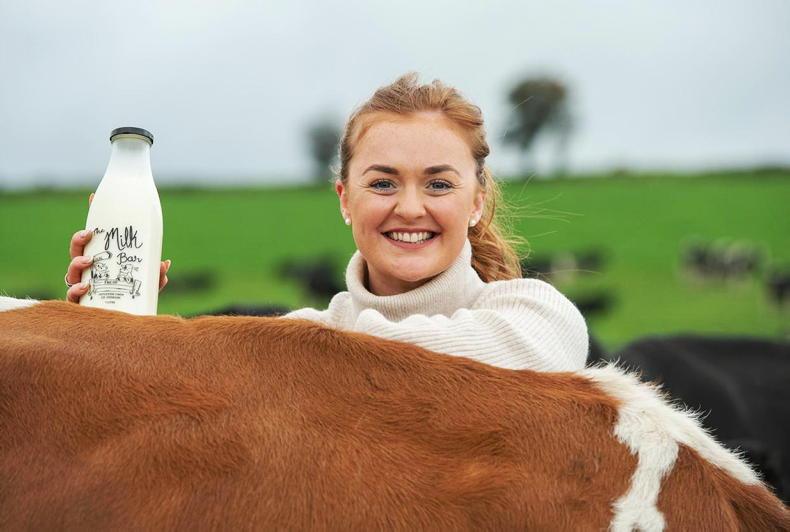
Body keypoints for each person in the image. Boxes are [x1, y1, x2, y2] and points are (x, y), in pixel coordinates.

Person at [65, 73, 589, 371]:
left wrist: (299, 348)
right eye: (382, 184)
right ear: (344, 200)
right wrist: (122, 333)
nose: (410, 208)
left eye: (438, 184)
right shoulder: (303, 335)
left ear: (476, 202)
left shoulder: (537, 316)